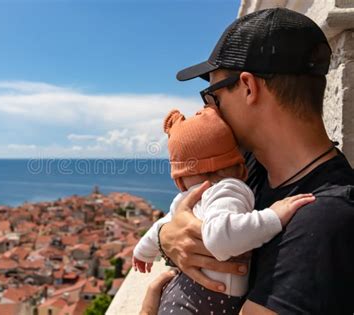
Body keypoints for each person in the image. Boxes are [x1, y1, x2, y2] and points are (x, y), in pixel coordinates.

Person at [148, 7, 354, 315]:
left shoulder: (323, 220)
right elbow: (184, 217)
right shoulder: (247, 166)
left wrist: (148, 309)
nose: (210, 111)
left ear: (248, 87)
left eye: (212, 96)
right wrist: (167, 238)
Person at [132, 105, 315, 313]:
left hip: (182, 295)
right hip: (207, 300)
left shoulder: (187, 199)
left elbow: (161, 227)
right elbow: (221, 239)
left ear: (181, 176)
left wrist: (143, 252)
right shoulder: (227, 189)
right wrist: (273, 217)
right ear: (237, 164)